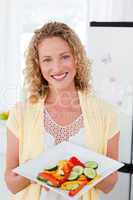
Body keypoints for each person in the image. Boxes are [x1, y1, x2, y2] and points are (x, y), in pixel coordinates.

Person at [5, 21, 120, 200]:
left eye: (65, 56)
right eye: (47, 59)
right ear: (38, 65)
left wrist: (87, 171)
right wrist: (31, 171)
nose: (57, 67)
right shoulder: (21, 113)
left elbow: (110, 184)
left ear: (76, 57)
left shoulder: (106, 114)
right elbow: (11, 185)